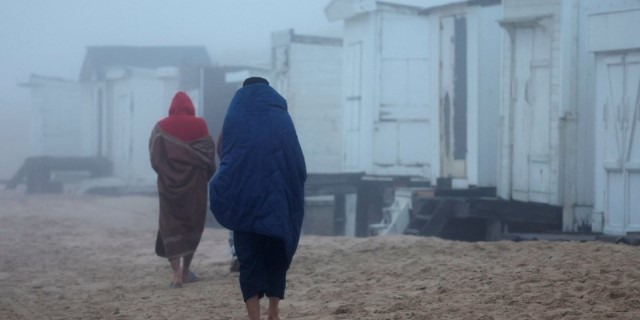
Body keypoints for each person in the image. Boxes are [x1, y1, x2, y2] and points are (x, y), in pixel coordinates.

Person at [209, 77, 306, 320]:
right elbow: (296, 158)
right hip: (277, 201)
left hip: (244, 199)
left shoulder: (234, 118)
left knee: (249, 258)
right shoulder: (281, 118)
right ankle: (273, 312)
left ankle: (254, 317)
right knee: (276, 254)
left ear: (243, 93)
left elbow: (223, 152)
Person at [150, 91, 216, 288]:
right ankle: (186, 271)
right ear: (191, 108)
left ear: (172, 108)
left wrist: (167, 174)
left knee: (170, 226)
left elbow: (155, 159)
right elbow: (209, 158)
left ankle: (176, 274)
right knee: (191, 226)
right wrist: (203, 178)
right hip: (195, 187)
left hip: (168, 187)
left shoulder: (160, 127)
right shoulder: (201, 125)